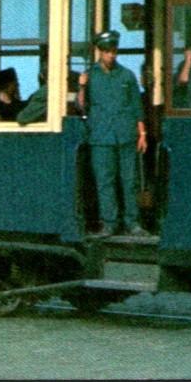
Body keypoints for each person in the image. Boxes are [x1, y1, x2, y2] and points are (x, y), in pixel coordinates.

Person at [79, 30, 147, 237]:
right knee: (105, 181)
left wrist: (142, 133)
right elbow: (81, 106)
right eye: (107, 51)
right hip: (100, 136)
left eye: (114, 51)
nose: (111, 55)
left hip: (126, 134)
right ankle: (109, 223)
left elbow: (136, 106)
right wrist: (81, 86)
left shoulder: (127, 75)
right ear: (100, 51)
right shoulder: (90, 76)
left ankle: (132, 222)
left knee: (129, 180)